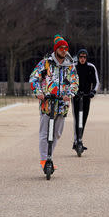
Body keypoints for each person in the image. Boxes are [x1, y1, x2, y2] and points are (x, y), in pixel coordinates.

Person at [29, 34, 78, 170]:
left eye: (65, 48)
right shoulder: (46, 63)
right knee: (44, 133)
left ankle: (50, 155)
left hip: (62, 104)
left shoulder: (70, 66)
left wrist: (70, 94)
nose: (64, 50)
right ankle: (44, 160)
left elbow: (74, 82)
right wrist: (38, 92)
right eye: (61, 48)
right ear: (56, 49)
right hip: (47, 103)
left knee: (57, 133)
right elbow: (34, 77)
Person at [72, 48, 99, 151]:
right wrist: (72, 91)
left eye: (84, 57)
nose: (82, 59)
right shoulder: (73, 68)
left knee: (84, 119)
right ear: (78, 57)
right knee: (77, 119)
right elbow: (68, 81)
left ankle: (79, 139)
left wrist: (93, 92)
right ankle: (76, 141)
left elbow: (96, 82)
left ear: (86, 58)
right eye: (80, 57)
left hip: (87, 96)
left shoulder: (91, 67)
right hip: (76, 97)